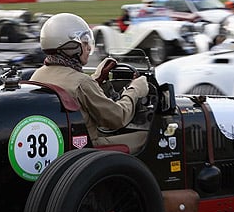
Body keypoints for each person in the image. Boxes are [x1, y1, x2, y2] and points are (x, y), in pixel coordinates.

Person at [29, 13, 149, 154]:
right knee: (146, 137)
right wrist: (135, 89)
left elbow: (75, 89)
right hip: (87, 147)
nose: (88, 48)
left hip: (61, 145)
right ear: (72, 46)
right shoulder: (82, 83)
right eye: (84, 42)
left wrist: (96, 79)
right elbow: (118, 118)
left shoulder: (37, 75)